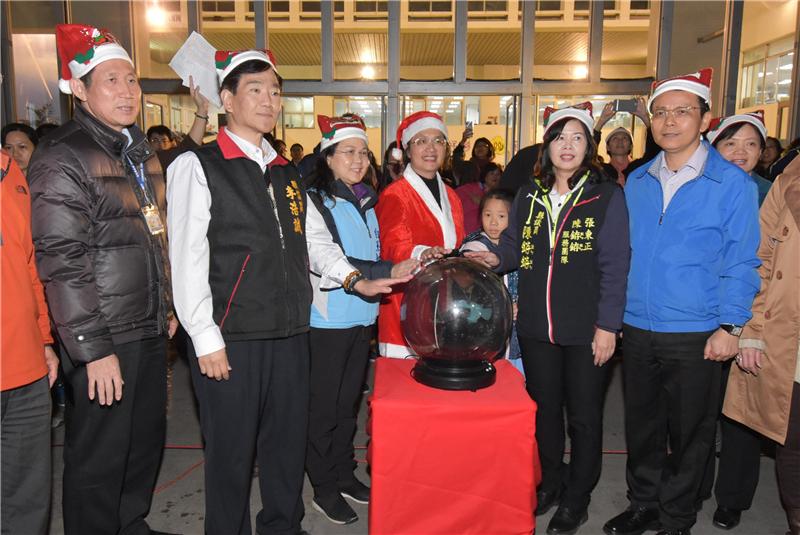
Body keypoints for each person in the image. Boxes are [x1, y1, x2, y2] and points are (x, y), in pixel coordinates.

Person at [28, 24, 177, 535]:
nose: (127, 91)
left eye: (132, 79)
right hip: (103, 333)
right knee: (98, 456)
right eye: (110, 80)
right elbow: (62, 260)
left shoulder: (138, 152)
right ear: (80, 90)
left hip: (148, 324)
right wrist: (92, 348)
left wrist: (170, 304)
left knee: (142, 443)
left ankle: (129, 522)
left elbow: (157, 237)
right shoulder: (62, 155)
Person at [603, 68, 760, 535]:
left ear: (705, 119)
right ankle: (643, 503)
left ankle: (676, 517)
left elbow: (741, 260)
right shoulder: (638, 180)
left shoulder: (732, 184)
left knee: (691, 434)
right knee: (642, 427)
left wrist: (730, 327)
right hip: (639, 326)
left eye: (682, 112)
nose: (670, 122)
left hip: (697, 331)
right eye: (661, 113)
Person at [467, 103, 630, 535]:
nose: (568, 146)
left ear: (589, 147)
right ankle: (551, 483)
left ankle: (578, 497)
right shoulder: (529, 195)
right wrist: (493, 256)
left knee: (584, 417)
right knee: (544, 413)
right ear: (547, 145)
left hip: (585, 331)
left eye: (578, 138)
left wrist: (608, 326)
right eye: (560, 137)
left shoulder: (606, 195)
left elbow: (615, 265)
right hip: (537, 328)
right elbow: (518, 248)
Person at [167, 48, 311, 535]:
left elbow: (308, 245)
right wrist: (204, 336)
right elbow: (186, 257)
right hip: (233, 338)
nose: (269, 100)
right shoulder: (198, 165)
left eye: (275, 91)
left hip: (290, 332)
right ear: (226, 99)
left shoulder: (287, 172)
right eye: (255, 90)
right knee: (230, 455)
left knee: (286, 448)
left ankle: (282, 526)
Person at [304, 114, 416, 525]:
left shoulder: (365, 197)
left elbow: (369, 257)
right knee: (323, 409)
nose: (358, 159)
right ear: (328, 157)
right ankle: (323, 487)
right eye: (348, 152)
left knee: (347, 404)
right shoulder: (315, 198)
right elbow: (327, 257)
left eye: (363, 152)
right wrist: (376, 273)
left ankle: (344, 473)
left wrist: (398, 266)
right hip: (328, 318)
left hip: (361, 316)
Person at [696, 110, 773, 530]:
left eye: (751, 144)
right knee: (699, 411)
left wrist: (749, 328)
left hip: (752, 320)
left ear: (763, 152)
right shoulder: (698, 189)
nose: (740, 152)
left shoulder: (772, 194)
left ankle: (734, 497)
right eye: (731, 142)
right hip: (703, 317)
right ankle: (697, 483)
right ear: (715, 146)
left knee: (741, 415)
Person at [722, 155, 800, 535]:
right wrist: (750, 329)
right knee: (793, 437)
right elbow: (760, 260)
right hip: (791, 335)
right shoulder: (790, 180)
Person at [1, 151, 59, 535]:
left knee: (26, 501)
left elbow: (29, 265)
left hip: (25, 369)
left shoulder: (9, 170)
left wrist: (44, 340)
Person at [376, 111, 466, 358]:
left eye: (438, 141)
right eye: (421, 141)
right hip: (406, 301)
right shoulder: (396, 194)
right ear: (406, 150)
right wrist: (423, 253)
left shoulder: (452, 196)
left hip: (444, 304)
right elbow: (392, 245)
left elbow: (457, 243)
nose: (431, 148)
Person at [460, 188, 524, 376]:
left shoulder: (520, 244)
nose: (493, 222)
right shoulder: (476, 243)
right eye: (488, 215)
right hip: (483, 324)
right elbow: (470, 262)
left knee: (517, 378)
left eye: (501, 216)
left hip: (517, 327)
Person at [147, 76, 210, 170]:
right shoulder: (144, 162)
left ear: (172, 143)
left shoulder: (172, 160)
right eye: (155, 140)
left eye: (164, 140)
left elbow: (189, 146)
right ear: (147, 143)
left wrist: (202, 109)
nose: (160, 144)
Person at [457, 161, 502, 233]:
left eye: (498, 174)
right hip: (467, 232)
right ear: (485, 175)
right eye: (492, 173)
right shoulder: (470, 188)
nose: (495, 176)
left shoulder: (501, 194)